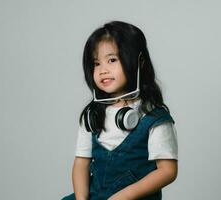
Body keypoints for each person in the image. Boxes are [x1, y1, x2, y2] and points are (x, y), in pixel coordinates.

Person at [62, 21, 178, 200]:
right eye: (96, 63)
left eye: (112, 60)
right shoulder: (92, 116)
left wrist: (121, 197)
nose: (102, 70)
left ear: (139, 62)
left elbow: (167, 171)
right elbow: (81, 163)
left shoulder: (154, 118)